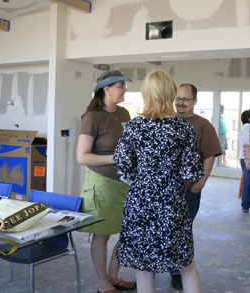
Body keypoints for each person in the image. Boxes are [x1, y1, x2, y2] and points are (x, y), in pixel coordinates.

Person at [114, 70, 204, 293]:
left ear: (147, 93)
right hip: (172, 201)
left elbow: (123, 167)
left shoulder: (134, 127)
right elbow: (191, 173)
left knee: (144, 268)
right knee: (186, 264)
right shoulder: (183, 128)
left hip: (141, 202)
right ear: (170, 94)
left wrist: (144, 181)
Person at [76, 70, 136, 293]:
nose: (124, 90)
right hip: (101, 182)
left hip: (125, 182)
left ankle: (113, 275)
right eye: (121, 85)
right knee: (102, 235)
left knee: (128, 231)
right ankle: (103, 282)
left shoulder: (124, 113)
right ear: (106, 89)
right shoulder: (92, 117)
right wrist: (115, 158)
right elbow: (82, 157)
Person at [170, 83, 222, 289]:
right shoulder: (168, 121)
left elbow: (209, 156)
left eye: (186, 99)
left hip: (189, 190)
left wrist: (200, 184)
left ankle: (177, 270)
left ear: (195, 102)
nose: (181, 103)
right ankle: (164, 264)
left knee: (182, 232)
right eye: (178, 99)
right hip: (167, 190)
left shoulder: (203, 125)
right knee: (166, 229)